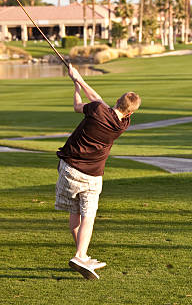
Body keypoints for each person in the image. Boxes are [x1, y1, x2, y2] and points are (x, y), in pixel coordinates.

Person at [55, 65, 141, 280]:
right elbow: (100, 102)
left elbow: (78, 105)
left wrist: (76, 82)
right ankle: (80, 255)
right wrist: (80, 80)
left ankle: (81, 255)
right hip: (93, 175)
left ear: (117, 101)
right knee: (88, 217)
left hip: (69, 169)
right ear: (129, 112)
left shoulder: (97, 110)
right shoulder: (124, 124)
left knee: (74, 213)